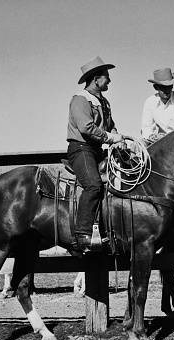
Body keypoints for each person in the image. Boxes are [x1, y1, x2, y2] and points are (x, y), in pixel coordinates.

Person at [67, 56, 128, 252]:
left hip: (96, 150)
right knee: (93, 186)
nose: (109, 80)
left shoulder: (104, 102)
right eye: (106, 77)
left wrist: (120, 138)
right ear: (96, 78)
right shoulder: (80, 100)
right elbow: (86, 128)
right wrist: (111, 138)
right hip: (81, 149)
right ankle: (82, 235)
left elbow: (111, 126)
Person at [141, 68, 174, 142]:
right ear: (156, 87)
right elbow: (146, 128)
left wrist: (168, 137)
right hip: (157, 142)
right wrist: (152, 137)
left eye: (169, 87)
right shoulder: (150, 102)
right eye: (162, 87)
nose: (166, 90)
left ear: (172, 86)